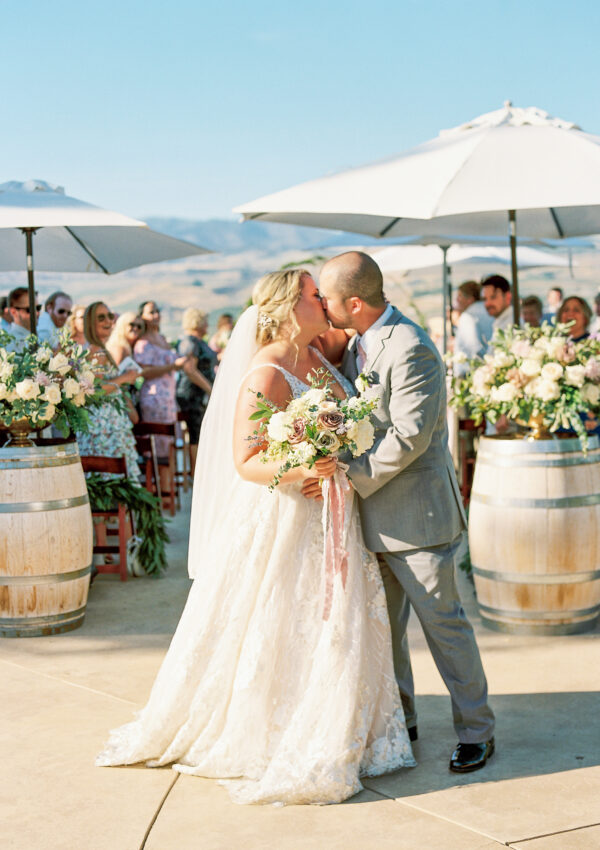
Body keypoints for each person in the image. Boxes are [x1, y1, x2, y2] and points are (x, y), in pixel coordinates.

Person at [96, 269, 416, 805]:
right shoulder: (264, 370)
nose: (324, 301)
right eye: (316, 294)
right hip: (285, 516)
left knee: (333, 621)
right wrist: (305, 469)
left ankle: (343, 723)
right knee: (281, 619)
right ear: (293, 305)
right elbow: (245, 461)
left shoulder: (320, 357)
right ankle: (279, 724)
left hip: (331, 513)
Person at [305, 251, 495, 774]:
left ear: (356, 303)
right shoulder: (360, 345)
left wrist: (349, 479)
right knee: (384, 632)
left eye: (329, 298)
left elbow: (409, 436)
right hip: (371, 523)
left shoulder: (410, 347)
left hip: (417, 520)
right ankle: (402, 721)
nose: (323, 305)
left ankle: (477, 729)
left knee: (445, 629)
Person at [75, 302, 141, 481]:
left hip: (107, 423)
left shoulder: (99, 350)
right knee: (111, 479)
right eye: (101, 317)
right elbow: (94, 389)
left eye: (110, 316)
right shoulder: (97, 352)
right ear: (90, 323)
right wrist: (125, 378)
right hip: (103, 427)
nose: (108, 321)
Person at [134, 301, 188, 458]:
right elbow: (143, 372)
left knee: (170, 446)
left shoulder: (162, 338)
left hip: (169, 398)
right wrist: (172, 366)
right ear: (142, 316)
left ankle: (168, 483)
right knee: (158, 450)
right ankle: (160, 481)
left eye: (157, 311)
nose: (156, 315)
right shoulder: (143, 343)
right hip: (154, 397)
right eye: (151, 312)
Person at [175, 308, 216, 472]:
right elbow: (190, 369)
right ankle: (196, 475)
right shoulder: (189, 342)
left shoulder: (199, 341)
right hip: (192, 395)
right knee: (196, 434)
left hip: (201, 394)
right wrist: (210, 389)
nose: (207, 324)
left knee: (202, 434)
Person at [452, 281, 494, 375]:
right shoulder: (490, 311)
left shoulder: (467, 316)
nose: (457, 300)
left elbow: (473, 349)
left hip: (473, 374)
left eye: (460, 296)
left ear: (470, 299)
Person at [4, 287, 41, 351]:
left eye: (38, 308)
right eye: (30, 310)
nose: (37, 313)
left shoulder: (33, 335)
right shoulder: (12, 343)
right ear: (14, 312)